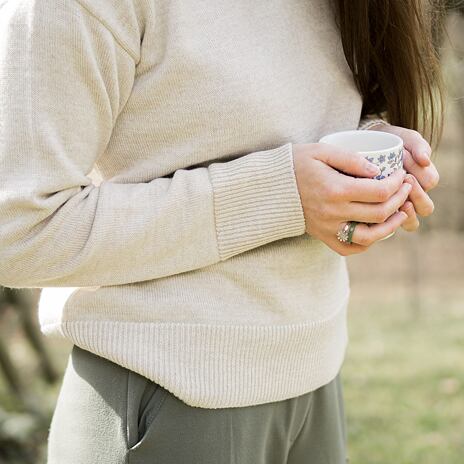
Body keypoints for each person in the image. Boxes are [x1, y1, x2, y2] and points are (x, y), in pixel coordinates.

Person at [0, 0, 443, 462]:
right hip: (171, 393)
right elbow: (19, 230)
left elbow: (262, 122)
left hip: (316, 381)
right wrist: (277, 195)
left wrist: (361, 156)